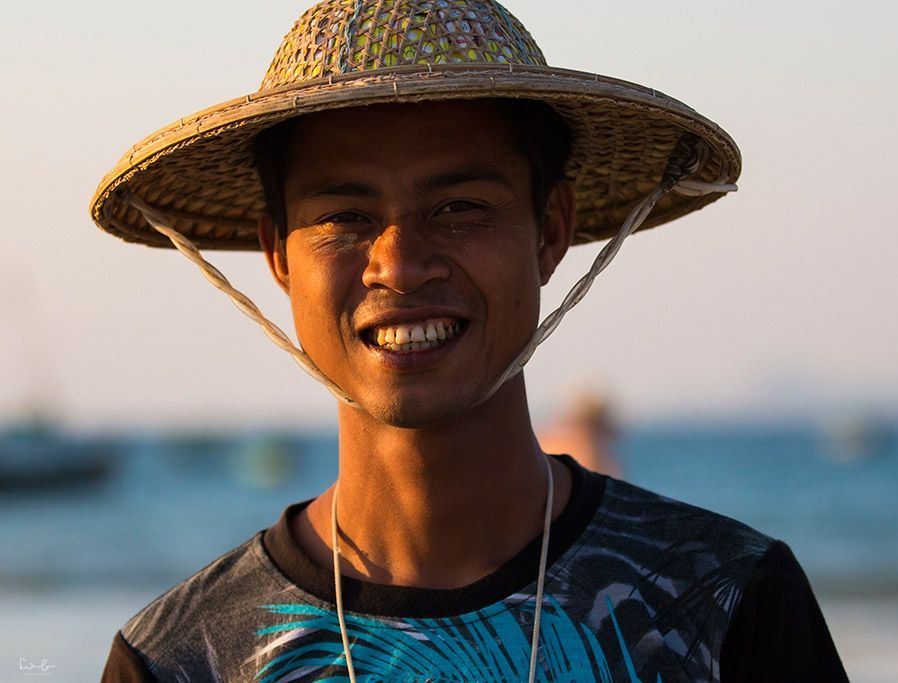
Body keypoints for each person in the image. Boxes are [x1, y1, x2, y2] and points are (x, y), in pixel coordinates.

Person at [92, 1, 847, 681]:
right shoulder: (181, 659)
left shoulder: (725, 602)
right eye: (346, 217)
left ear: (548, 232)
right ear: (279, 255)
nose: (400, 264)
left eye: (458, 207)